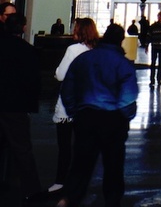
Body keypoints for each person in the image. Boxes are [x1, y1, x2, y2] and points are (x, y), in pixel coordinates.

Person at [57, 23, 138, 207]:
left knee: (81, 164)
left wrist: (74, 111)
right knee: (113, 166)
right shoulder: (123, 64)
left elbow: (67, 87)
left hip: (86, 117)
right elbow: (128, 95)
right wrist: (125, 116)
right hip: (113, 119)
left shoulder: (84, 59)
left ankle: (69, 198)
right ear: (121, 40)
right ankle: (111, 201)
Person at [48, 17, 99, 195]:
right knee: (83, 145)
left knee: (64, 146)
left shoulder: (73, 49)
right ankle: (80, 181)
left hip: (68, 105)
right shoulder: (96, 51)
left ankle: (61, 181)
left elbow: (61, 74)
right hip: (88, 105)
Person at [0, 12, 43, 202]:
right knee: (22, 149)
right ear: (24, 28)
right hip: (15, 106)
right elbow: (33, 82)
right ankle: (31, 190)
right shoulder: (28, 51)